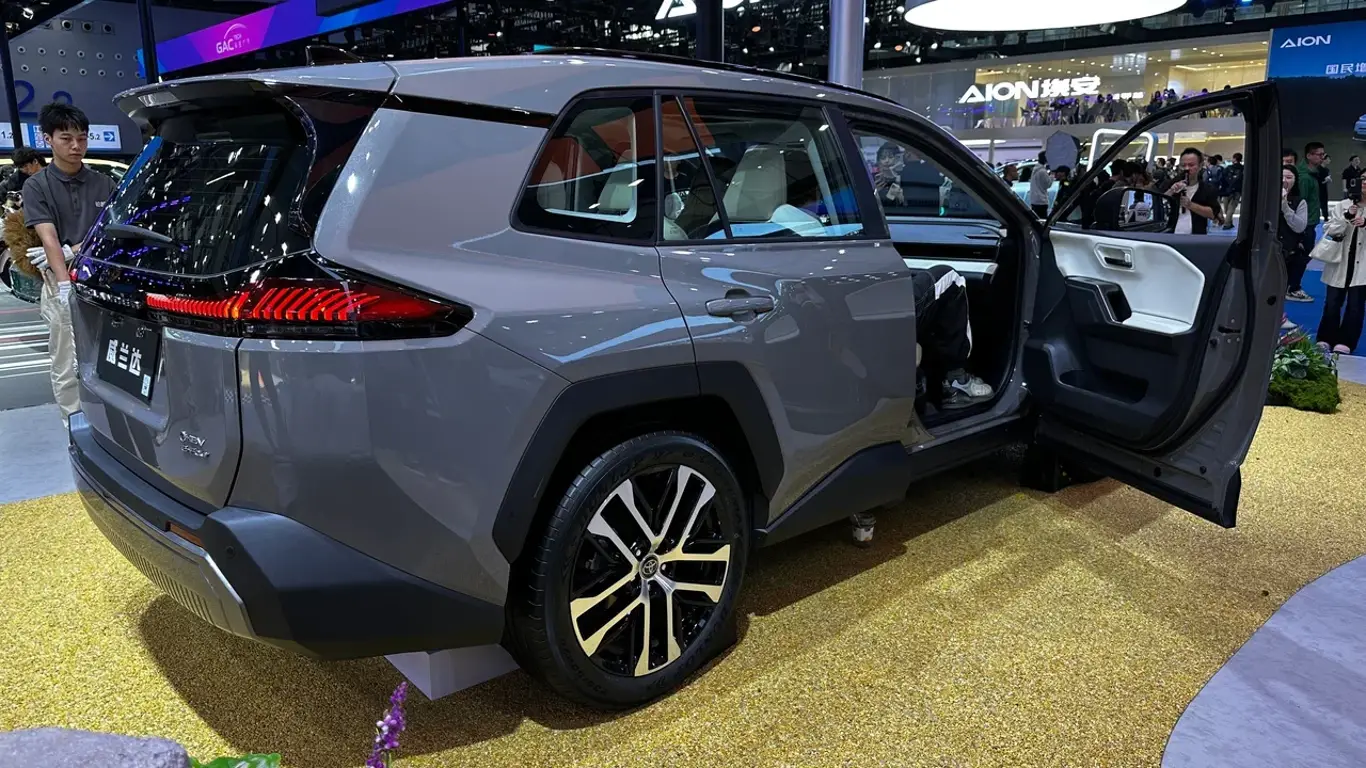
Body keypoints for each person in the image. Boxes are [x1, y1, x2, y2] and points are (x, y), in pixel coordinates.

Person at [22, 103, 117, 427]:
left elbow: (111, 232)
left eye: (82, 138)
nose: (76, 146)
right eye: (66, 138)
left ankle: (111, 422)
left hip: (101, 280)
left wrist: (74, 249)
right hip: (61, 283)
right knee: (66, 359)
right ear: (48, 139)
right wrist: (64, 285)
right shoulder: (37, 185)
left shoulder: (104, 183)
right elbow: (48, 238)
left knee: (108, 355)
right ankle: (75, 425)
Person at [1316, 202, 1366, 353]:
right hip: (1339, 261)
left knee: (1356, 305)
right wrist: (1346, 217)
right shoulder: (1343, 205)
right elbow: (1329, 229)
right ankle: (1325, 338)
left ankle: (1346, 341)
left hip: (1362, 264)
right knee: (1332, 302)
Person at [1291, 142, 1328, 302]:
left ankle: (1291, 285)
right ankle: (1292, 287)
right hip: (1305, 223)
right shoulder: (1305, 177)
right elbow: (1301, 203)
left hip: (1310, 221)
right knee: (1302, 256)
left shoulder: (1313, 174)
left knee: (1304, 255)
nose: (1322, 157)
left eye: (1322, 154)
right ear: (1309, 156)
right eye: (1319, 154)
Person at [1278, 165, 1310, 331]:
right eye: (1282, 177)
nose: (1284, 181)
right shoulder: (1265, 198)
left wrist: (1285, 207)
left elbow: (1299, 226)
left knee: (1280, 286)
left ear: (1295, 180)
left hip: (1287, 250)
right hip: (1267, 247)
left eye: (1289, 177)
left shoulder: (1300, 202)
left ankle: (1279, 317)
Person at [1165, 147, 1220, 235]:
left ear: (1200, 166)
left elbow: (1213, 214)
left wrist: (1190, 205)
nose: (1187, 168)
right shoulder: (1170, 184)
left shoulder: (1207, 189)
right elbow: (1159, 202)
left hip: (1196, 236)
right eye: (1183, 165)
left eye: (1191, 165)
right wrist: (1171, 191)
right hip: (1169, 234)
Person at [1222, 152, 1244, 231]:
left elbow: (1223, 178)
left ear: (1234, 159)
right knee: (1231, 207)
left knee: (1226, 208)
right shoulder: (1243, 168)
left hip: (1227, 191)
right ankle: (1229, 223)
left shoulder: (1228, 168)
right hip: (1237, 191)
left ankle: (1227, 223)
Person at [1028, 151, 1050, 217]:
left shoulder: (1035, 169)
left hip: (1034, 200)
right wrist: (1052, 175)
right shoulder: (1042, 171)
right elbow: (1048, 184)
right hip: (1041, 201)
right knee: (1042, 219)